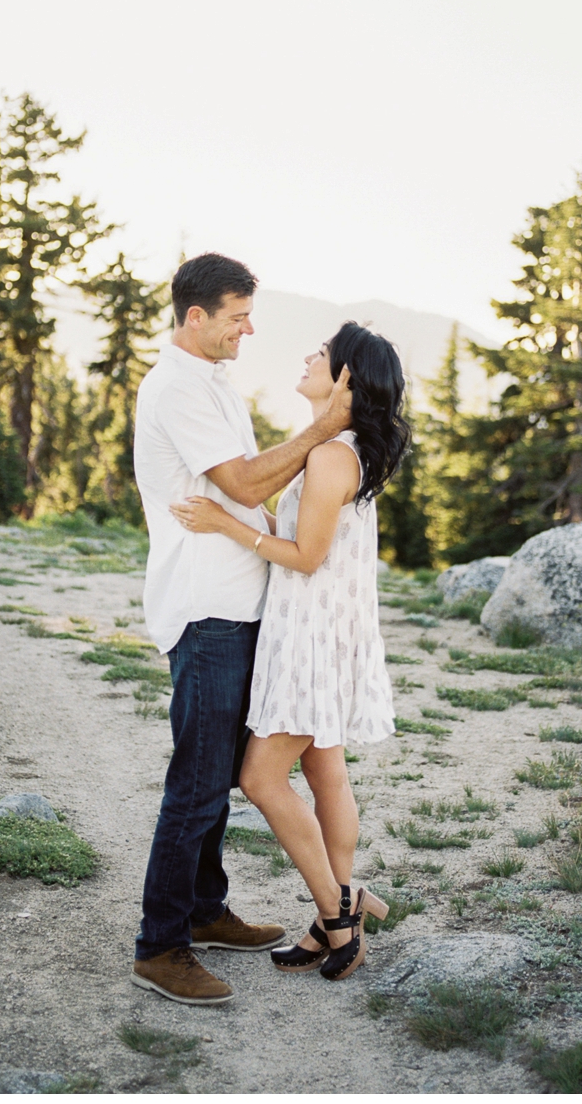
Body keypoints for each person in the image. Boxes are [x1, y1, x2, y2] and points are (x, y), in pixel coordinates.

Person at [130, 252, 352, 1006]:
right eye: (236, 316)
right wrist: (324, 427)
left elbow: (249, 481)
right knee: (195, 783)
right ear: (196, 316)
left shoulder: (212, 382)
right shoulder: (176, 388)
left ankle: (204, 909)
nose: (248, 329)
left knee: (218, 777)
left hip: (240, 601)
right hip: (206, 608)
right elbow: (247, 482)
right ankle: (161, 946)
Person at [170, 321, 410, 981]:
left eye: (323, 354)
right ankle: (337, 903)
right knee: (325, 767)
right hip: (320, 629)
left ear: (345, 381)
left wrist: (226, 523)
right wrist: (251, 519)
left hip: (308, 635)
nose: (307, 355)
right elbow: (310, 535)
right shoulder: (339, 448)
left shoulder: (333, 455)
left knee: (260, 778)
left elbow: (307, 556)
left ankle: (339, 910)